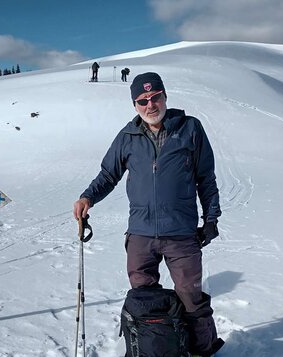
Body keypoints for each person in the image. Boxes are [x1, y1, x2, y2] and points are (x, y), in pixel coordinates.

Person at [73, 72, 224, 356]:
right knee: (145, 299)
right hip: (141, 234)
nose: (150, 105)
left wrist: (211, 218)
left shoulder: (190, 129)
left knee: (191, 298)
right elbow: (108, 174)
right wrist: (87, 197)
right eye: (142, 100)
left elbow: (206, 178)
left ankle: (202, 350)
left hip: (181, 232)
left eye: (155, 97)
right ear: (135, 104)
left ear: (165, 96)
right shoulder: (128, 136)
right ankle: (156, 349)